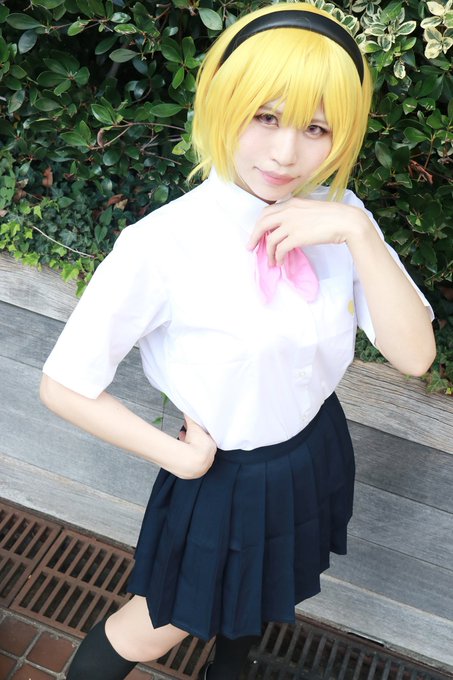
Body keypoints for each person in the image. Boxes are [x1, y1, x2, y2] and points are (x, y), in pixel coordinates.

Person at [40, 3, 436, 679]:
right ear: (225, 106)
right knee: (151, 630)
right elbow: (63, 385)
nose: (285, 154)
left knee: (262, 597)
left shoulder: (341, 216)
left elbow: (414, 355)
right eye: (265, 116)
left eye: (316, 128)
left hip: (313, 448)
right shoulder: (162, 245)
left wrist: (358, 235)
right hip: (222, 476)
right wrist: (181, 458)